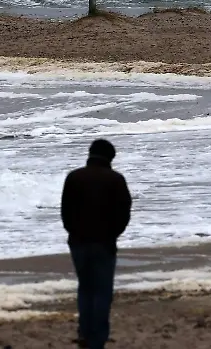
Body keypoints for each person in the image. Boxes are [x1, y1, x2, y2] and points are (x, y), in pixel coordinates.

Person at [61, 139, 133, 349]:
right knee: (102, 291)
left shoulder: (74, 178)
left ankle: (84, 331)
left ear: (90, 154)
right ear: (110, 157)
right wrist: (113, 234)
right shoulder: (116, 180)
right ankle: (97, 338)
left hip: (78, 242)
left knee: (85, 288)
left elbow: (65, 212)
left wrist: (73, 232)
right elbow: (124, 213)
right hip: (104, 243)